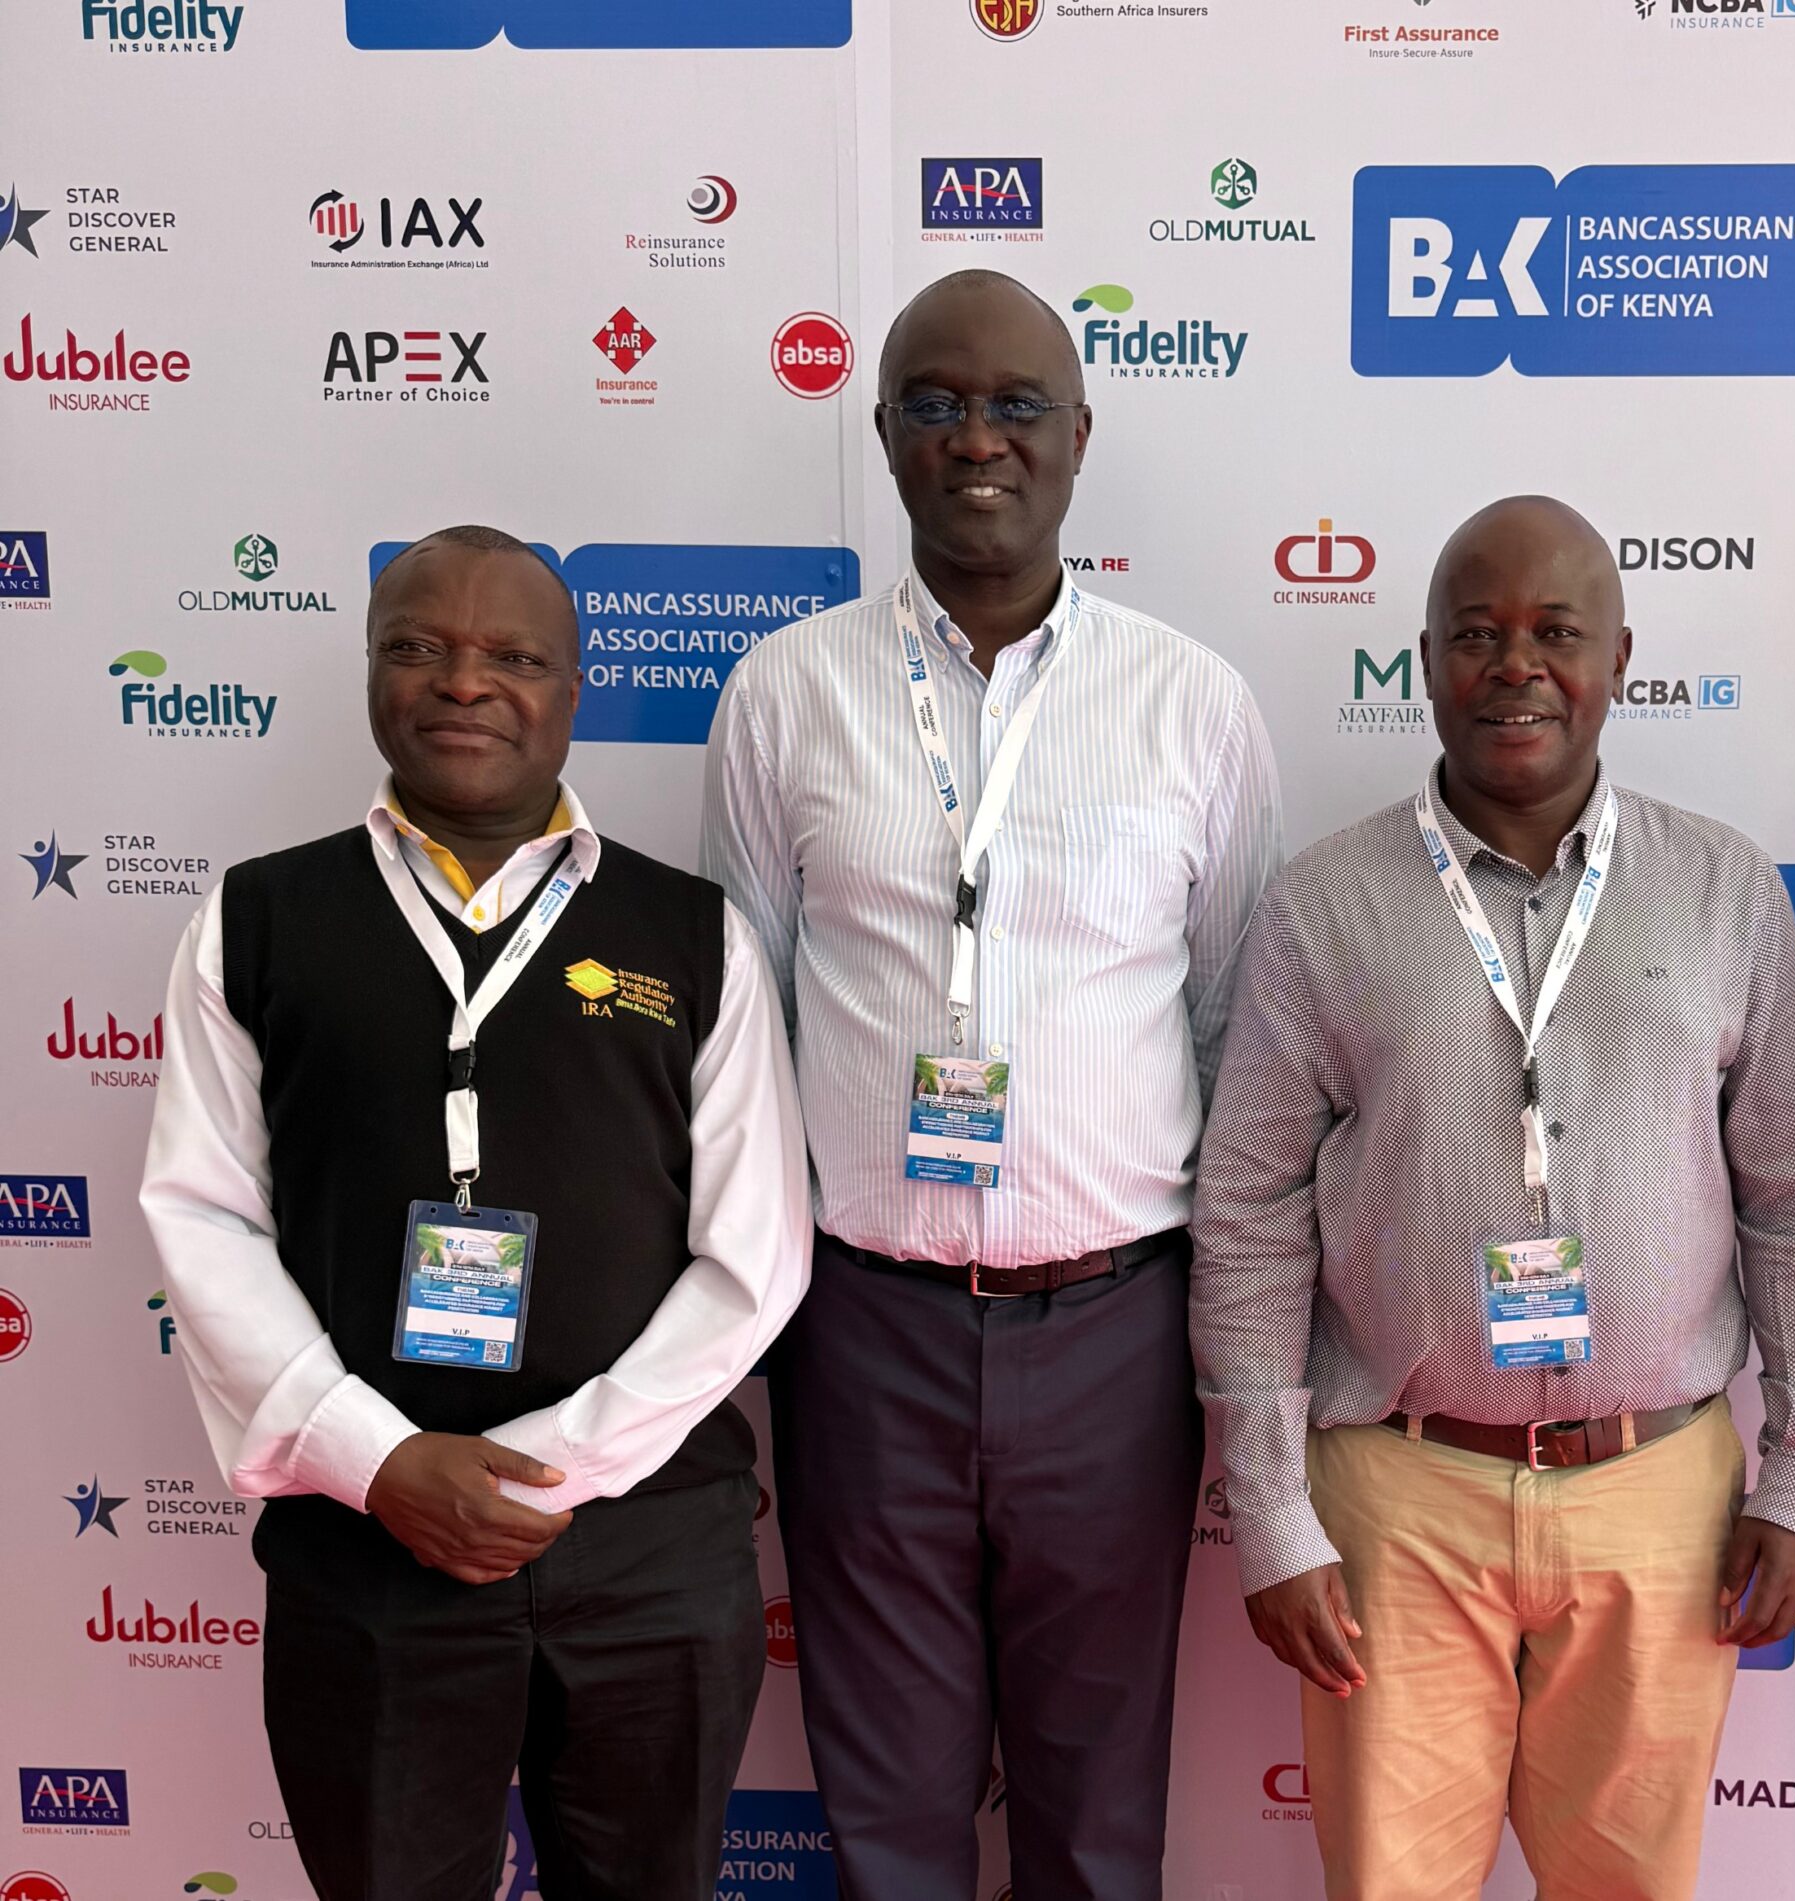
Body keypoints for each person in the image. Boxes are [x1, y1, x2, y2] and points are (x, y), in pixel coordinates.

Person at [1192, 495, 1795, 1901]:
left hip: (1657, 1499)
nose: (1517, 666)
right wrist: (1268, 1507)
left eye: (1557, 632)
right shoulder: (1322, 903)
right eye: (1477, 634)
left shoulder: (1724, 889)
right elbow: (1250, 1214)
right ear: (1425, 660)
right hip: (1399, 1499)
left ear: (1618, 657)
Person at [702, 268, 1282, 1900]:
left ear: (1079, 435)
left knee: (1097, 1817)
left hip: (1117, 1332)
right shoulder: (782, 694)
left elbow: (1237, 1033)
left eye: (1016, 403)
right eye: (938, 404)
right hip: (861, 1329)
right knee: (887, 1813)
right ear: (885, 433)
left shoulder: (1195, 705)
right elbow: (742, 1036)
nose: (978, 438)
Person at [141, 525, 813, 1901]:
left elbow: (754, 1254)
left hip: (645, 1545)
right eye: (419, 648)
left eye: (513, 655)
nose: (464, 682)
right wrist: (383, 1462)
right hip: (367, 1546)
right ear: (369, 669)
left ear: (572, 689)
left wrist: (546, 1469)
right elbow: (203, 1220)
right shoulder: (255, 921)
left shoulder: (694, 935)